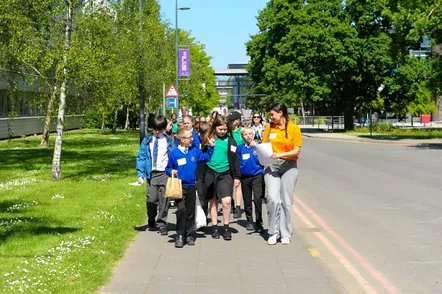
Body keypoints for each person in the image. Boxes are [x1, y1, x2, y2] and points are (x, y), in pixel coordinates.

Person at [166, 128, 214, 248]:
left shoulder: (194, 151)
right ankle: (180, 235)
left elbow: (205, 158)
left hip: (192, 185)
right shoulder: (174, 152)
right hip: (180, 186)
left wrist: (211, 148)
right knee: (181, 210)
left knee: (191, 211)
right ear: (182, 140)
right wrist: (171, 171)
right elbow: (168, 167)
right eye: (190, 137)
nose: (192, 139)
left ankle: (189, 234)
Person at [262, 102, 302, 245]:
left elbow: (297, 150)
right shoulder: (269, 127)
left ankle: (285, 233)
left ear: (281, 113)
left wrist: (280, 154)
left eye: (272, 114)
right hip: (271, 166)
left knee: (286, 200)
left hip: (289, 166)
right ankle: (273, 232)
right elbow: (264, 145)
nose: (271, 117)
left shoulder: (294, 128)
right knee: (273, 198)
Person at [136, 115, 175, 236]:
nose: (157, 132)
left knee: (164, 200)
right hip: (151, 174)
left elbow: (174, 157)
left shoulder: (169, 141)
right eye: (155, 129)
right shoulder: (147, 141)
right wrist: (140, 173)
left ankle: (162, 223)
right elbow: (141, 157)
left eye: (160, 129)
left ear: (164, 129)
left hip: (164, 173)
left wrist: (174, 169)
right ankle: (151, 217)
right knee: (151, 200)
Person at [204, 115, 241, 241]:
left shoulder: (231, 141)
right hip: (210, 172)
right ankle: (215, 226)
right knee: (213, 201)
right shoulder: (208, 138)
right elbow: (201, 154)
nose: (223, 131)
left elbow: (235, 160)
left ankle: (226, 227)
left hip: (226, 173)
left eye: (225, 129)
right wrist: (208, 145)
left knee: (226, 201)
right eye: (220, 129)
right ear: (214, 128)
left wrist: (237, 177)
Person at [237, 127, 264, 233]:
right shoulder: (240, 148)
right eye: (246, 134)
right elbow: (237, 161)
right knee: (247, 200)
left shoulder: (258, 147)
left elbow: (265, 157)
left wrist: (258, 147)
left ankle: (259, 221)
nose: (248, 136)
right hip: (245, 177)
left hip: (257, 175)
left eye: (250, 134)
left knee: (257, 198)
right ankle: (249, 220)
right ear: (242, 137)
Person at [228, 111, 244, 219]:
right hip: (228, 161)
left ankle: (238, 207)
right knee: (229, 185)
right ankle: (232, 204)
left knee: (238, 185)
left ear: (237, 121)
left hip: (239, 162)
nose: (229, 122)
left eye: (232, 120)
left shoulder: (241, 132)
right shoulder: (227, 132)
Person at [196, 121, 212, 217]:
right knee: (200, 193)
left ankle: (205, 211)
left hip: (209, 170)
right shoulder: (196, 140)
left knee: (206, 194)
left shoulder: (211, 141)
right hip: (198, 171)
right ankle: (202, 215)